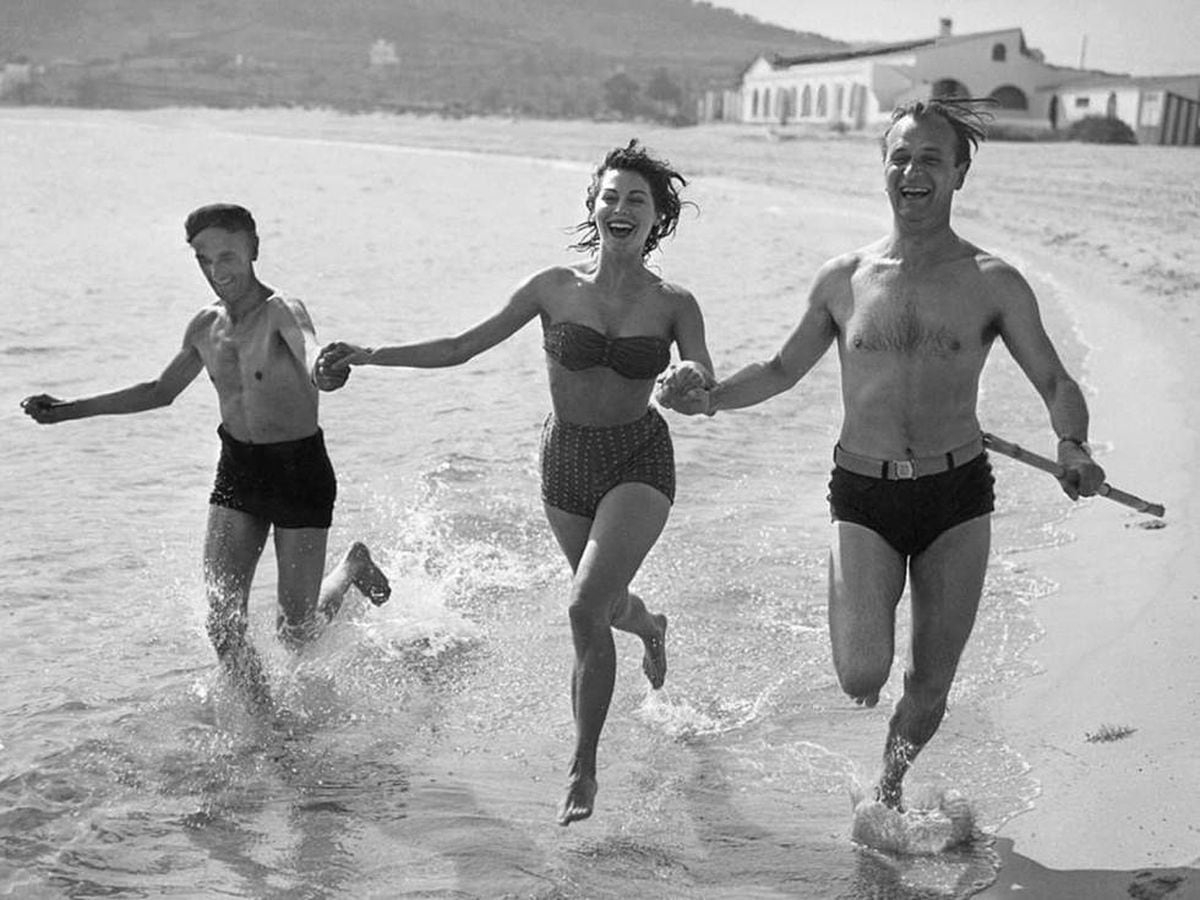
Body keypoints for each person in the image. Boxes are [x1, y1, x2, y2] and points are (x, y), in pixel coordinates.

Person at [661, 99, 1106, 810]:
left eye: (931, 158)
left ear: (959, 173)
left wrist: (1072, 443)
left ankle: (888, 789)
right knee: (861, 673)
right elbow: (779, 370)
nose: (912, 170)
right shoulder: (845, 279)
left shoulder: (993, 282)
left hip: (956, 496)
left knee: (929, 686)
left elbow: (1054, 380)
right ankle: (849, 578)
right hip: (864, 493)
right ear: (883, 170)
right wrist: (708, 400)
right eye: (900, 156)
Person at [315, 140, 715, 826]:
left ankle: (582, 768)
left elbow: (701, 374)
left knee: (583, 608)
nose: (620, 208)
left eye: (636, 200)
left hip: (640, 461)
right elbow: (460, 346)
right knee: (608, 607)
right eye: (610, 196)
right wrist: (369, 354)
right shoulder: (552, 288)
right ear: (593, 206)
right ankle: (649, 625)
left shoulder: (675, 303)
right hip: (566, 463)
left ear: (658, 219)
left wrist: (688, 378)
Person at [21, 203, 391, 708]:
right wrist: (69, 411)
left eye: (228, 256)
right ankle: (266, 727)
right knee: (223, 623)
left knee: (297, 632)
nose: (218, 271)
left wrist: (326, 371)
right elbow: (159, 390)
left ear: (253, 250)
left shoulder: (283, 310)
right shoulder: (204, 326)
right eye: (204, 259)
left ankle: (350, 568)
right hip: (238, 471)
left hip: (299, 471)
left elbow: (309, 353)